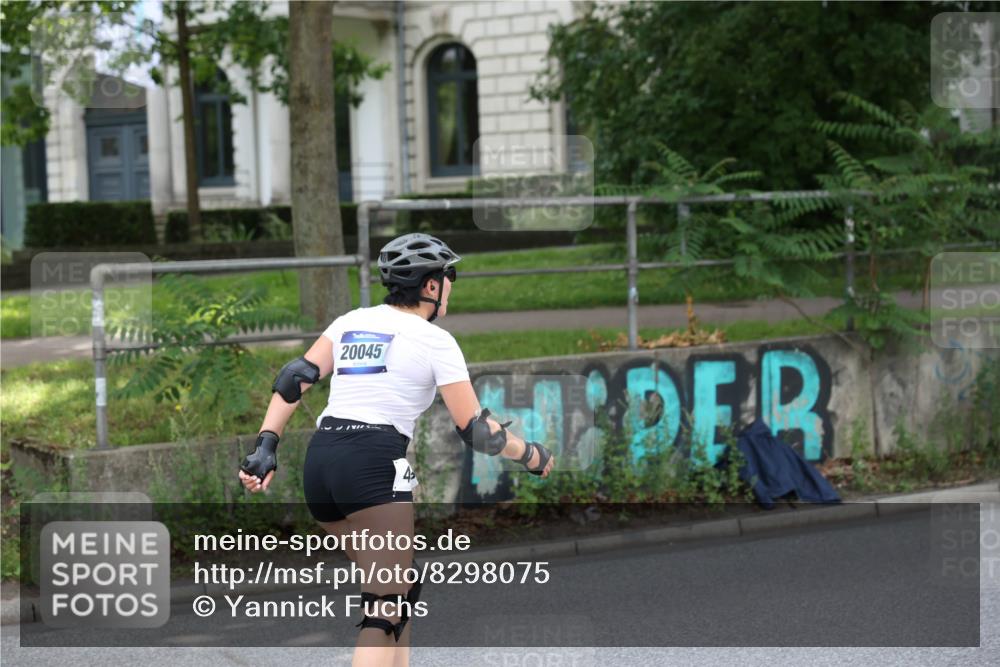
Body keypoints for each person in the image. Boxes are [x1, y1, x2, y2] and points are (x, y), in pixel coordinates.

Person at [237, 233, 555, 667]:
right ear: (430, 286)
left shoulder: (352, 320)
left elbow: (297, 376)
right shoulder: (435, 340)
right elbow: (477, 430)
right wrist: (531, 455)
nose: (451, 287)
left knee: (400, 586)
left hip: (323, 464)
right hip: (372, 464)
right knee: (385, 603)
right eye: (449, 277)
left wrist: (265, 446)